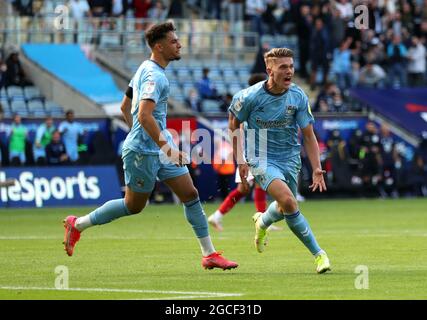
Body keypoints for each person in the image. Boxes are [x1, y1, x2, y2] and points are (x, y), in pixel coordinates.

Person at [62, 22, 238, 271]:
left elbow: (126, 107)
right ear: (159, 46)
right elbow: (144, 116)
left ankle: (209, 254)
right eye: (174, 41)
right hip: (144, 152)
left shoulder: (145, 68)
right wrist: (165, 147)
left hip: (157, 146)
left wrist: (152, 139)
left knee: (190, 194)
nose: (179, 44)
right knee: (133, 206)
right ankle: (76, 224)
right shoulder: (155, 76)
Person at [228, 48, 331, 274]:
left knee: (286, 207)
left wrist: (316, 168)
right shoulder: (249, 97)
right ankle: (319, 254)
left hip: (290, 157)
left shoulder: (298, 96)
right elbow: (233, 125)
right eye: (283, 67)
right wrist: (241, 160)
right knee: (289, 201)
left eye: (291, 66)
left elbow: (308, 135)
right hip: (261, 156)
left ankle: (262, 221)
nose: (289, 71)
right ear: (269, 70)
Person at [208, 73, 282, 232]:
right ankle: (263, 221)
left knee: (245, 189)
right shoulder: (253, 102)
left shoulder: (249, 101)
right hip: (253, 151)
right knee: (259, 186)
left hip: (251, 150)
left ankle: (217, 216)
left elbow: (240, 127)